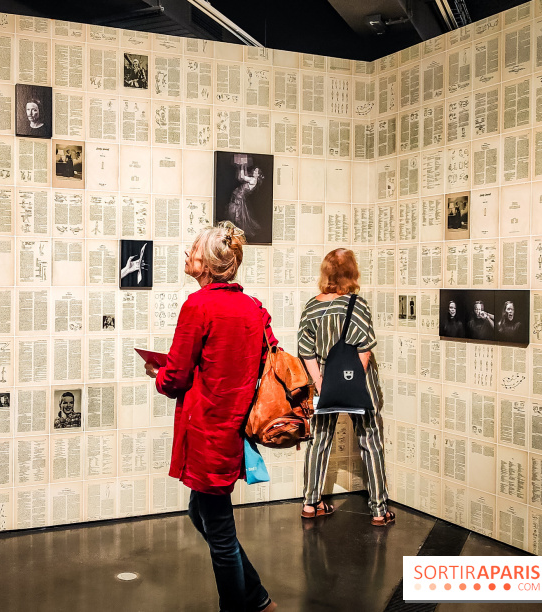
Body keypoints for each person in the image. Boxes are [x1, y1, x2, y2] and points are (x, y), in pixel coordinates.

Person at [145, 221, 277, 612]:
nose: (187, 253)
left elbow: (176, 378)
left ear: (207, 265)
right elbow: (265, 357)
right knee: (200, 513)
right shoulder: (254, 308)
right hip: (233, 430)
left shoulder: (198, 306)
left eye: (194, 249)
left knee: (219, 533)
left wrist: (159, 374)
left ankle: (243, 604)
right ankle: (258, 598)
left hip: (207, 432)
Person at [298, 248, 393, 526]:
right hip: (358, 384)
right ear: (352, 273)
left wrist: (321, 384)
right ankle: (378, 510)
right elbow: (363, 350)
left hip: (324, 383)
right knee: (370, 441)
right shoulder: (357, 304)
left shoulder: (311, 306)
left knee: (318, 441)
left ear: (326, 272)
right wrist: (348, 382)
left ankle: (310, 503)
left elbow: (306, 351)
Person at [227, 158, 263, 237]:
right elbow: (241, 177)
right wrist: (243, 166)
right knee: (236, 214)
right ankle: (234, 230)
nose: (254, 171)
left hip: (239, 198)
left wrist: (242, 165)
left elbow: (242, 177)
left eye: (256, 171)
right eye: (254, 170)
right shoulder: (252, 179)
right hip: (238, 196)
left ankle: (235, 231)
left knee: (236, 215)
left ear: (258, 175)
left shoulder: (253, 180)